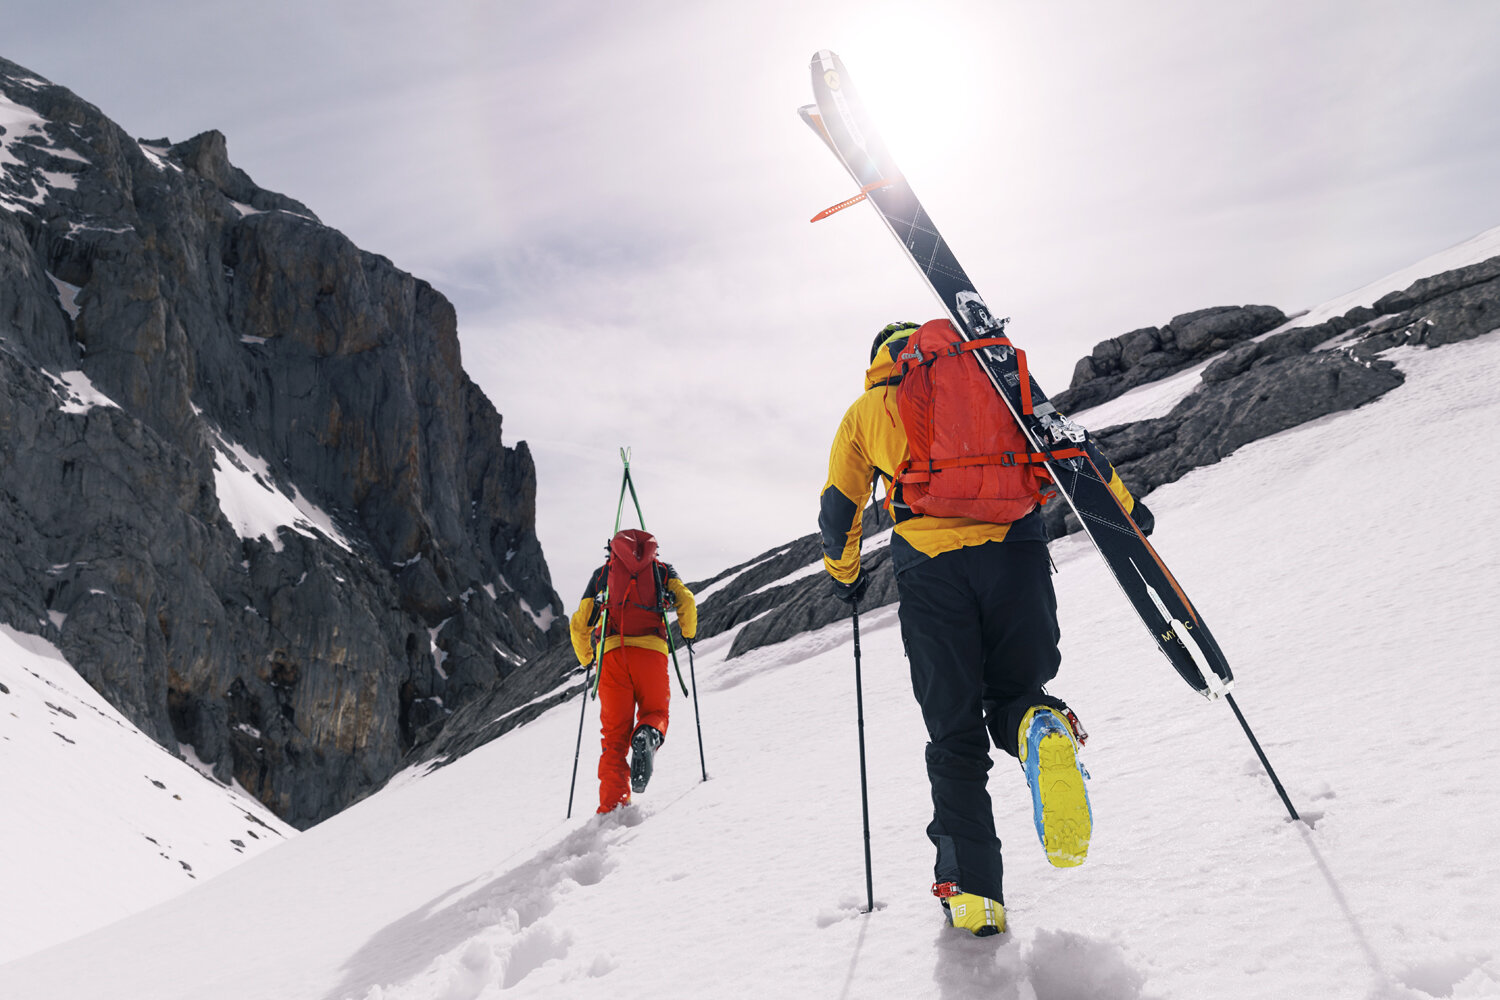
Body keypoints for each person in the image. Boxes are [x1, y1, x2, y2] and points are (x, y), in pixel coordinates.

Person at [818, 320, 1153, 937]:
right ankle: (1037, 726)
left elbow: (840, 508)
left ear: (878, 360)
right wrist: (1127, 511)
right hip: (1015, 550)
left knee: (953, 734)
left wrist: (844, 575)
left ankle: (974, 896)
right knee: (1015, 692)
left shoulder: (866, 409)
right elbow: (1068, 444)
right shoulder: (994, 375)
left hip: (928, 569)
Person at [570, 528, 697, 815]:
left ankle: (613, 808)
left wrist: (588, 658)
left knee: (614, 738)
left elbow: (579, 625)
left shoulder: (604, 574)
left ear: (611, 551)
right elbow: (686, 601)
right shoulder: (662, 570)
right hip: (651, 653)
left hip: (613, 655)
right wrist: (688, 634)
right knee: (656, 713)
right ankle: (648, 734)